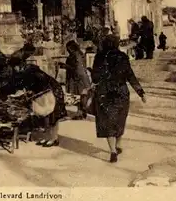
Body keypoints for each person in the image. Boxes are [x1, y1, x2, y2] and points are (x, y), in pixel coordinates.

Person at [90, 34, 146, 163]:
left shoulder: (99, 57)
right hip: (121, 92)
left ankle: (112, 151)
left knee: (107, 120)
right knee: (120, 119)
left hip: (104, 92)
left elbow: (95, 77)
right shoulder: (122, 57)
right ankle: (118, 144)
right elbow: (130, 76)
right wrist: (141, 92)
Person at [2, 56, 67, 148]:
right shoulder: (25, 71)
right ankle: (48, 137)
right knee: (45, 116)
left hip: (52, 91)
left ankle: (54, 139)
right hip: (44, 93)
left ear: (18, 65)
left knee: (52, 116)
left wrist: (30, 91)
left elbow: (42, 83)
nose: (14, 70)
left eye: (14, 67)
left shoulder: (31, 71)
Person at [59, 40, 91, 120]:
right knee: (81, 96)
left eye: (68, 48)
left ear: (72, 48)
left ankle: (81, 113)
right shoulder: (78, 54)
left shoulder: (76, 55)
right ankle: (81, 113)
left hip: (78, 79)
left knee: (80, 96)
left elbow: (78, 69)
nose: (67, 50)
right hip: (79, 78)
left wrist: (65, 66)